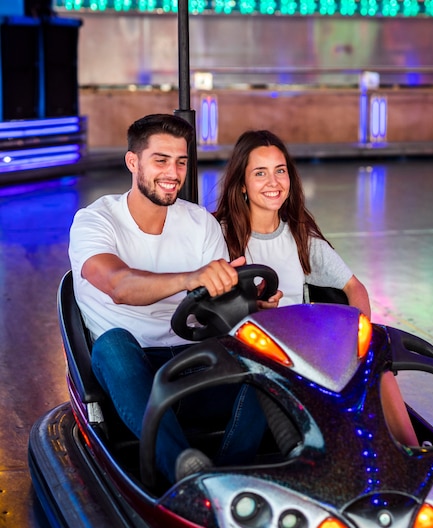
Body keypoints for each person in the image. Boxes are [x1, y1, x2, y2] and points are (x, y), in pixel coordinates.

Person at [68, 114, 280, 485]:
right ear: (133, 162)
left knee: (268, 354)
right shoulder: (95, 221)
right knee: (114, 345)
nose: (174, 172)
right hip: (130, 375)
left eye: (181, 161)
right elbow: (119, 285)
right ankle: (183, 468)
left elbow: (215, 306)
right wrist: (190, 278)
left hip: (193, 362)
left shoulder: (200, 223)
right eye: (161, 160)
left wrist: (245, 307)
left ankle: (228, 477)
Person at [214, 129, 419, 447]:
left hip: (304, 352)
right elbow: (209, 308)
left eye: (280, 171)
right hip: (250, 355)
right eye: (260, 173)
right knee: (266, 378)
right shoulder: (220, 236)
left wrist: (358, 338)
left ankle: (412, 451)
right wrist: (249, 307)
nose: (274, 182)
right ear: (242, 183)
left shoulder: (299, 237)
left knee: (378, 357)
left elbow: (354, 287)